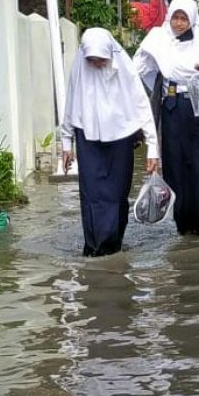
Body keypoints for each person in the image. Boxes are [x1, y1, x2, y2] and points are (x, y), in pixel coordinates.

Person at [60, 28, 160, 257]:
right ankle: (94, 246)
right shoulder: (80, 68)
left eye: (101, 59)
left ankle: (113, 243)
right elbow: (70, 104)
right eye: (91, 60)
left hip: (121, 138)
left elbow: (142, 107)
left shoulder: (125, 71)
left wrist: (153, 150)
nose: (95, 64)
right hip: (87, 138)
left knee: (116, 194)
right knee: (91, 194)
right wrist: (66, 143)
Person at [134, 0, 199, 236]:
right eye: (176, 18)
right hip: (171, 107)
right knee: (175, 167)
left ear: (192, 20)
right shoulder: (158, 40)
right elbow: (137, 69)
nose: (179, 23)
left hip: (197, 107)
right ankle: (183, 226)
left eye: (184, 19)